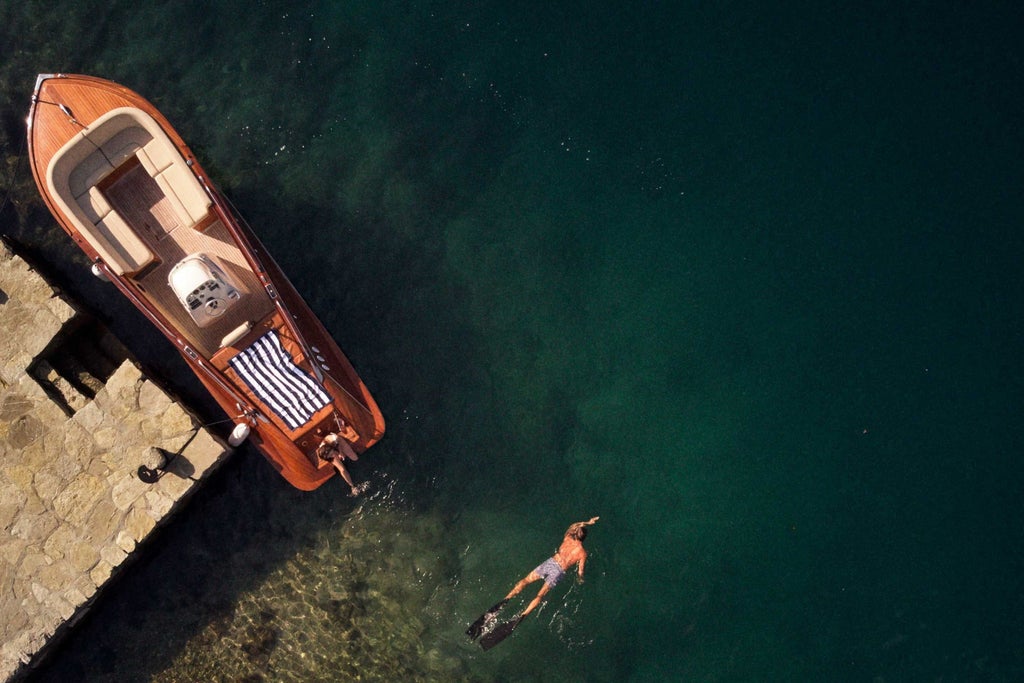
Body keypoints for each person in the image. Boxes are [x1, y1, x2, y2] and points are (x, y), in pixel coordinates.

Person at [503, 516, 600, 617]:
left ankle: (507, 598)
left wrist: (588, 522)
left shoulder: (567, 538)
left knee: (526, 580)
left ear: (575, 533)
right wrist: (581, 579)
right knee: (540, 595)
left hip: (551, 562)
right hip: (559, 571)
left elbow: (573, 525)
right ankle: (523, 614)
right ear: (584, 538)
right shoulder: (582, 553)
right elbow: (580, 571)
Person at [315, 431, 361, 496]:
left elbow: (337, 439)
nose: (333, 456)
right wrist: (352, 486)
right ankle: (352, 486)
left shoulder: (332, 439)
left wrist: (341, 452)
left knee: (355, 458)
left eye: (332, 454)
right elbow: (342, 470)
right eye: (330, 456)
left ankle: (343, 454)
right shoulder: (326, 454)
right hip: (333, 449)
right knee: (342, 469)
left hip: (338, 443)